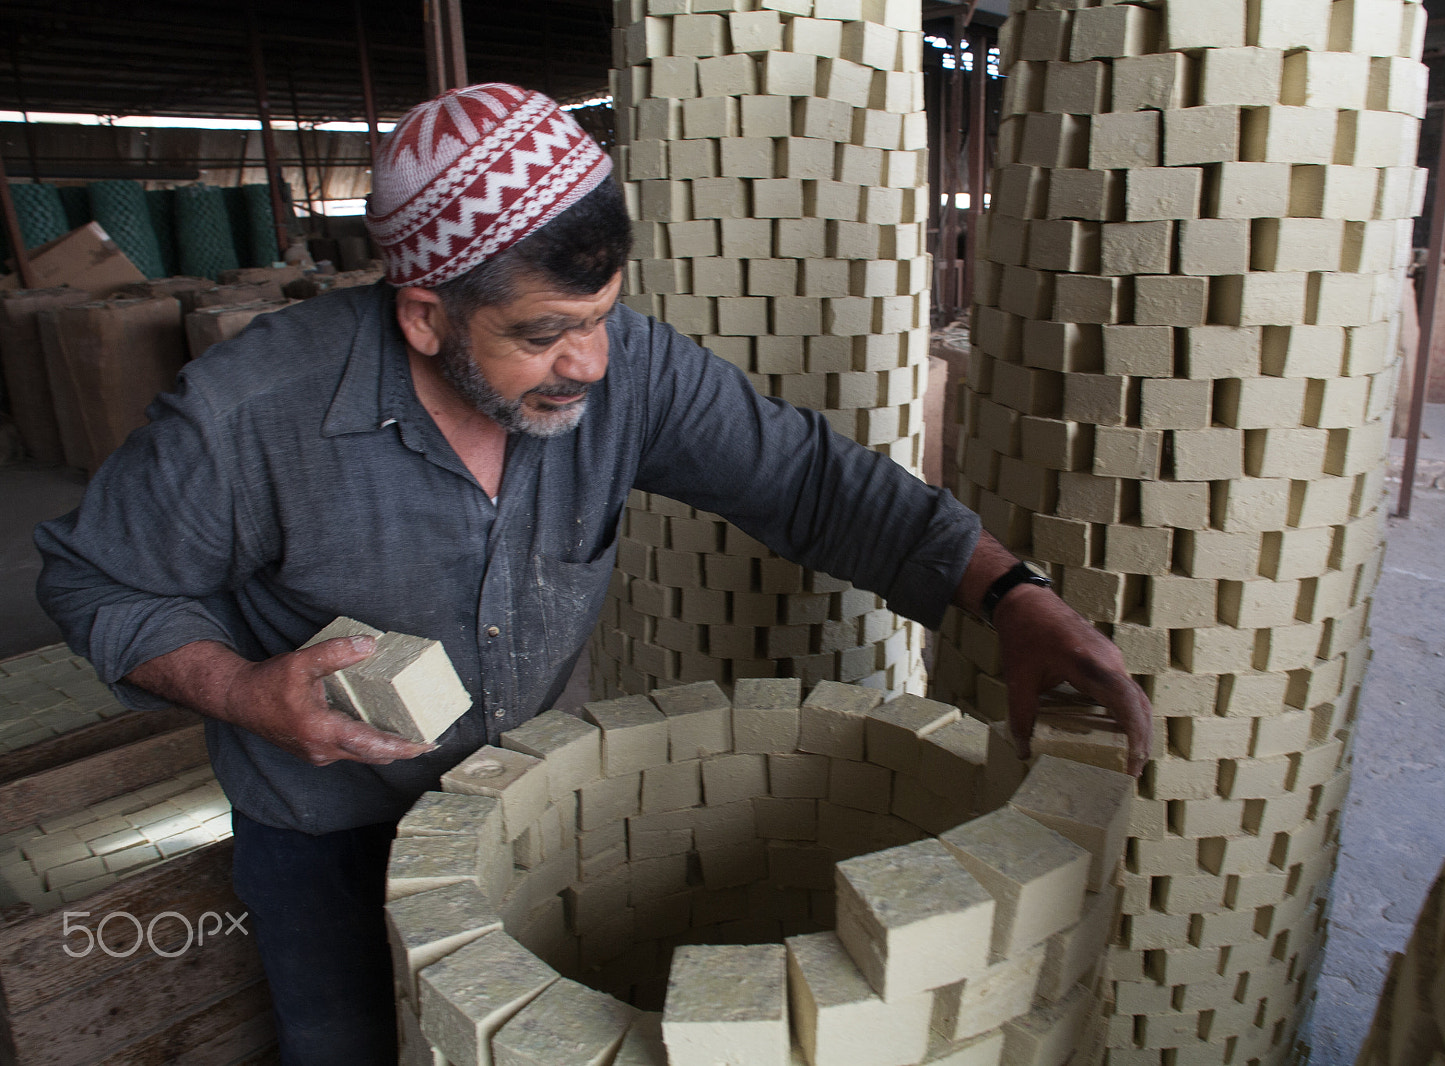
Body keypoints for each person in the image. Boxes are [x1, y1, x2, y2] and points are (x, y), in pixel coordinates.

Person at [35, 84, 1151, 1065]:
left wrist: (1010, 598)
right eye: (545, 333)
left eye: (605, 318)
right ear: (426, 316)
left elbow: (811, 483)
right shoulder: (246, 415)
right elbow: (97, 582)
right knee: (346, 1043)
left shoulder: (624, 373)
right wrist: (242, 692)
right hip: (321, 826)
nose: (592, 363)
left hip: (518, 802)